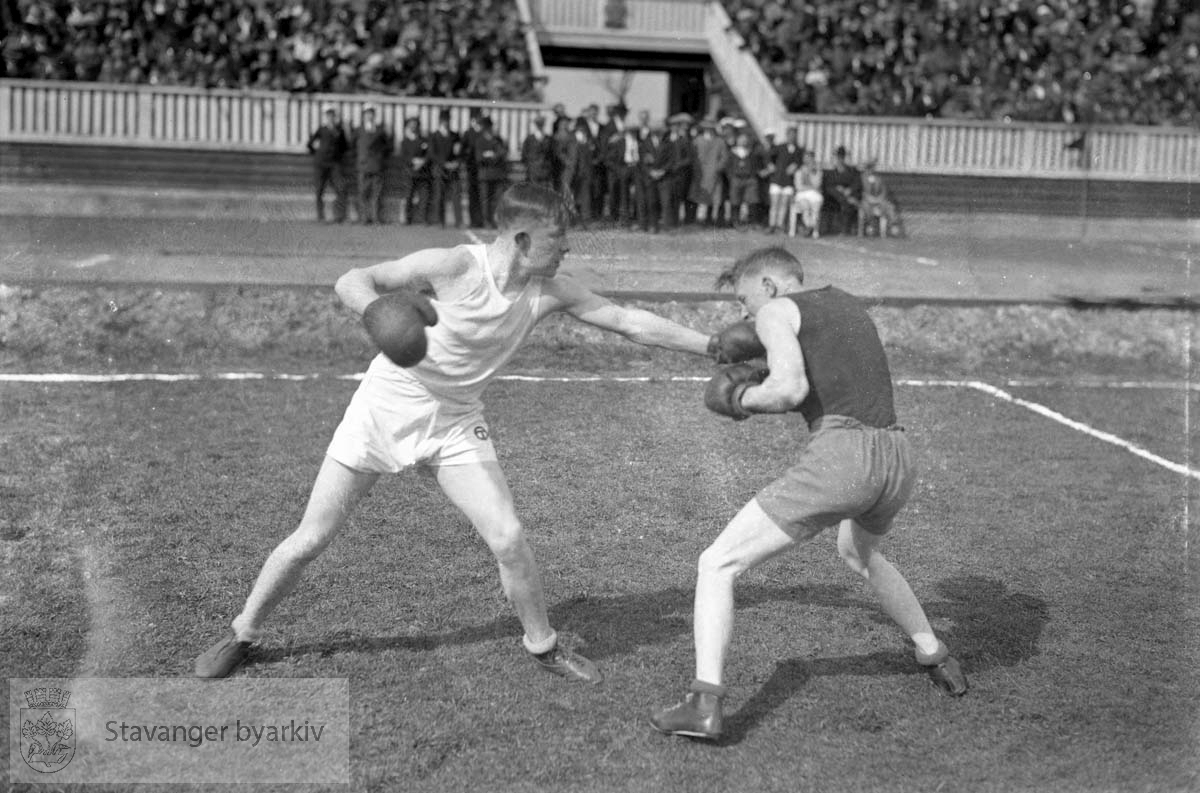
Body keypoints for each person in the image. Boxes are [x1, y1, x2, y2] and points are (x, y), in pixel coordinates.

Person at [195, 183, 713, 683]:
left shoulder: (550, 291)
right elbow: (353, 279)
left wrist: (716, 347)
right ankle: (243, 632)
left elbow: (631, 321)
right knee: (311, 537)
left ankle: (543, 645)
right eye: (558, 239)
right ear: (522, 241)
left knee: (508, 537)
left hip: (455, 422)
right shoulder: (451, 265)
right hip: (382, 410)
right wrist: (378, 312)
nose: (568, 249)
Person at [650, 246, 968, 741]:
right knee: (859, 553)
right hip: (898, 456)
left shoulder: (776, 310)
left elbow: (789, 390)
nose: (745, 314)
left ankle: (703, 703)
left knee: (717, 564)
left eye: (744, 300)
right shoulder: (846, 302)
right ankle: (934, 653)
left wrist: (738, 399)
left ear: (770, 286)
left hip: (845, 456)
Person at [306, 106, 349, 223]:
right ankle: (320, 216)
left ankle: (340, 216)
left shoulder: (340, 130)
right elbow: (309, 144)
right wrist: (316, 154)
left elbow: (345, 146)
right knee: (320, 189)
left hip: (335, 164)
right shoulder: (321, 129)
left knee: (341, 188)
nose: (330, 117)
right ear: (326, 116)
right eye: (328, 115)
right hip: (321, 163)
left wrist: (338, 155)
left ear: (335, 116)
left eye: (332, 115)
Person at [353, 105, 391, 225]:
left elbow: (387, 146)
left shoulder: (380, 130)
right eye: (367, 113)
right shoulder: (358, 130)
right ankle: (364, 218)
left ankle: (375, 218)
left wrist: (380, 156)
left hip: (377, 165)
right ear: (363, 115)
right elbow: (351, 145)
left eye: (371, 113)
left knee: (377, 193)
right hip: (363, 165)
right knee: (363, 192)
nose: (369, 116)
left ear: (374, 115)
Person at [428, 109, 463, 228]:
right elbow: (432, 154)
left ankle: (459, 221)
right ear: (440, 121)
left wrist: (456, 163)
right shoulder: (434, 136)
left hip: (453, 169)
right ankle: (440, 221)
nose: (446, 122)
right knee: (439, 196)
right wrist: (444, 164)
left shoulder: (455, 135)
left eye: (447, 120)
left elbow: (459, 152)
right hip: (440, 169)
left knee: (456, 196)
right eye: (443, 120)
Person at [766, 126, 803, 234]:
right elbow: (769, 156)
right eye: (790, 134)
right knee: (774, 204)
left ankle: (780, 225)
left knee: (784, 204)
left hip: (788, 181)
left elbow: (800, 162)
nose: (792, 137)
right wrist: (770, 165)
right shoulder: (780, 147)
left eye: (794, 134)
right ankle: (772, 224)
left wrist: (795, 165)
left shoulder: (799, 150)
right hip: (777, 178)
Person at [473, 118, 508, 229]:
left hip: (497, 174)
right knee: (485, 200)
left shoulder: (498, 140)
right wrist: (492, 156)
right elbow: (479, 158)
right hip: (485, 174)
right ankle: (486, 221)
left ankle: (495, 221)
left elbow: (502, 153)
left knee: (497, 200)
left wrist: (491, 155)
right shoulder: (480, 141)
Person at [395, 117, 429, 225]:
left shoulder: (423, 140)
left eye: (415, 124)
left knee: (424, 197)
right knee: (408, 196)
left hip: (422, 173)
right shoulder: (404, 141)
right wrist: (413, 161)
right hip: (409, 172)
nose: (413, 126)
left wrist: (422, 162)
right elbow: (404, 157)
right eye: (411, 124)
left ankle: (422, 218)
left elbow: (428, 154)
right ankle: (407, 218)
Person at [822, 145, 861, 235]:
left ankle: (845, 229)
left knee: (848, 203)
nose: (840, 159)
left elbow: (857, 183)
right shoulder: (831, 172)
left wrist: (849, 190)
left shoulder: (851, 171)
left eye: (842, 157)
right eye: (838, 157)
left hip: (848, 195)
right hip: (834, 198)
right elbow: (828, 186)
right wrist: (839, 190)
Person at [790, 149, 823, 237]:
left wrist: (812, 173)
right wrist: (810, 187)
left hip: (814, 195)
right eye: (806, 158)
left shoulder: (817, 171)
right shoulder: (799, 171)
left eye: (810, 158)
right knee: (805, 205)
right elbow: (798, 186)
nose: (808, 160)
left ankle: (813, 229)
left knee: (816, 205)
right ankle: (809, 225)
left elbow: (817, 184)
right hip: (802, 195)